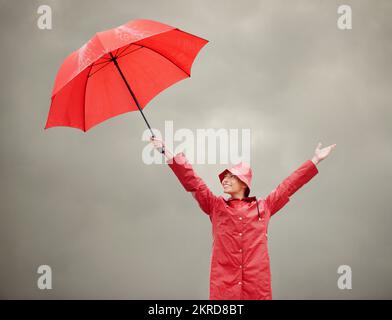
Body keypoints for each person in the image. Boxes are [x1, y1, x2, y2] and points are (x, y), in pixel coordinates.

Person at [150, 137, 336, 300]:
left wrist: (315, 160)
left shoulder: (264, 207)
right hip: (224, 289)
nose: (225, 180)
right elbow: (193, 182)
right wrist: (166, 151)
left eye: (232, 177)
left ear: (244, 182)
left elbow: (289, 185)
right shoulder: (216, 206)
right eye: (225, 177)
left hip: (256, 288)